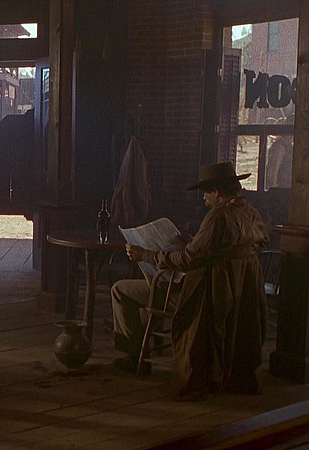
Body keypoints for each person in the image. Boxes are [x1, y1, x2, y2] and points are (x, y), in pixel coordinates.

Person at [112, 162, 268, 401]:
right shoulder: (249, 211)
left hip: (206, 296)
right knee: (152, 285)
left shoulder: (219, 216)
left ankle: (133, 357)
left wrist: (146, 255)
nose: (204, 198)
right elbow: (235, 245)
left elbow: (188, 260)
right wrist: (193, 242)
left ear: (216, 191)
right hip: (236, 294)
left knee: (120, 290)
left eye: (206, 192)